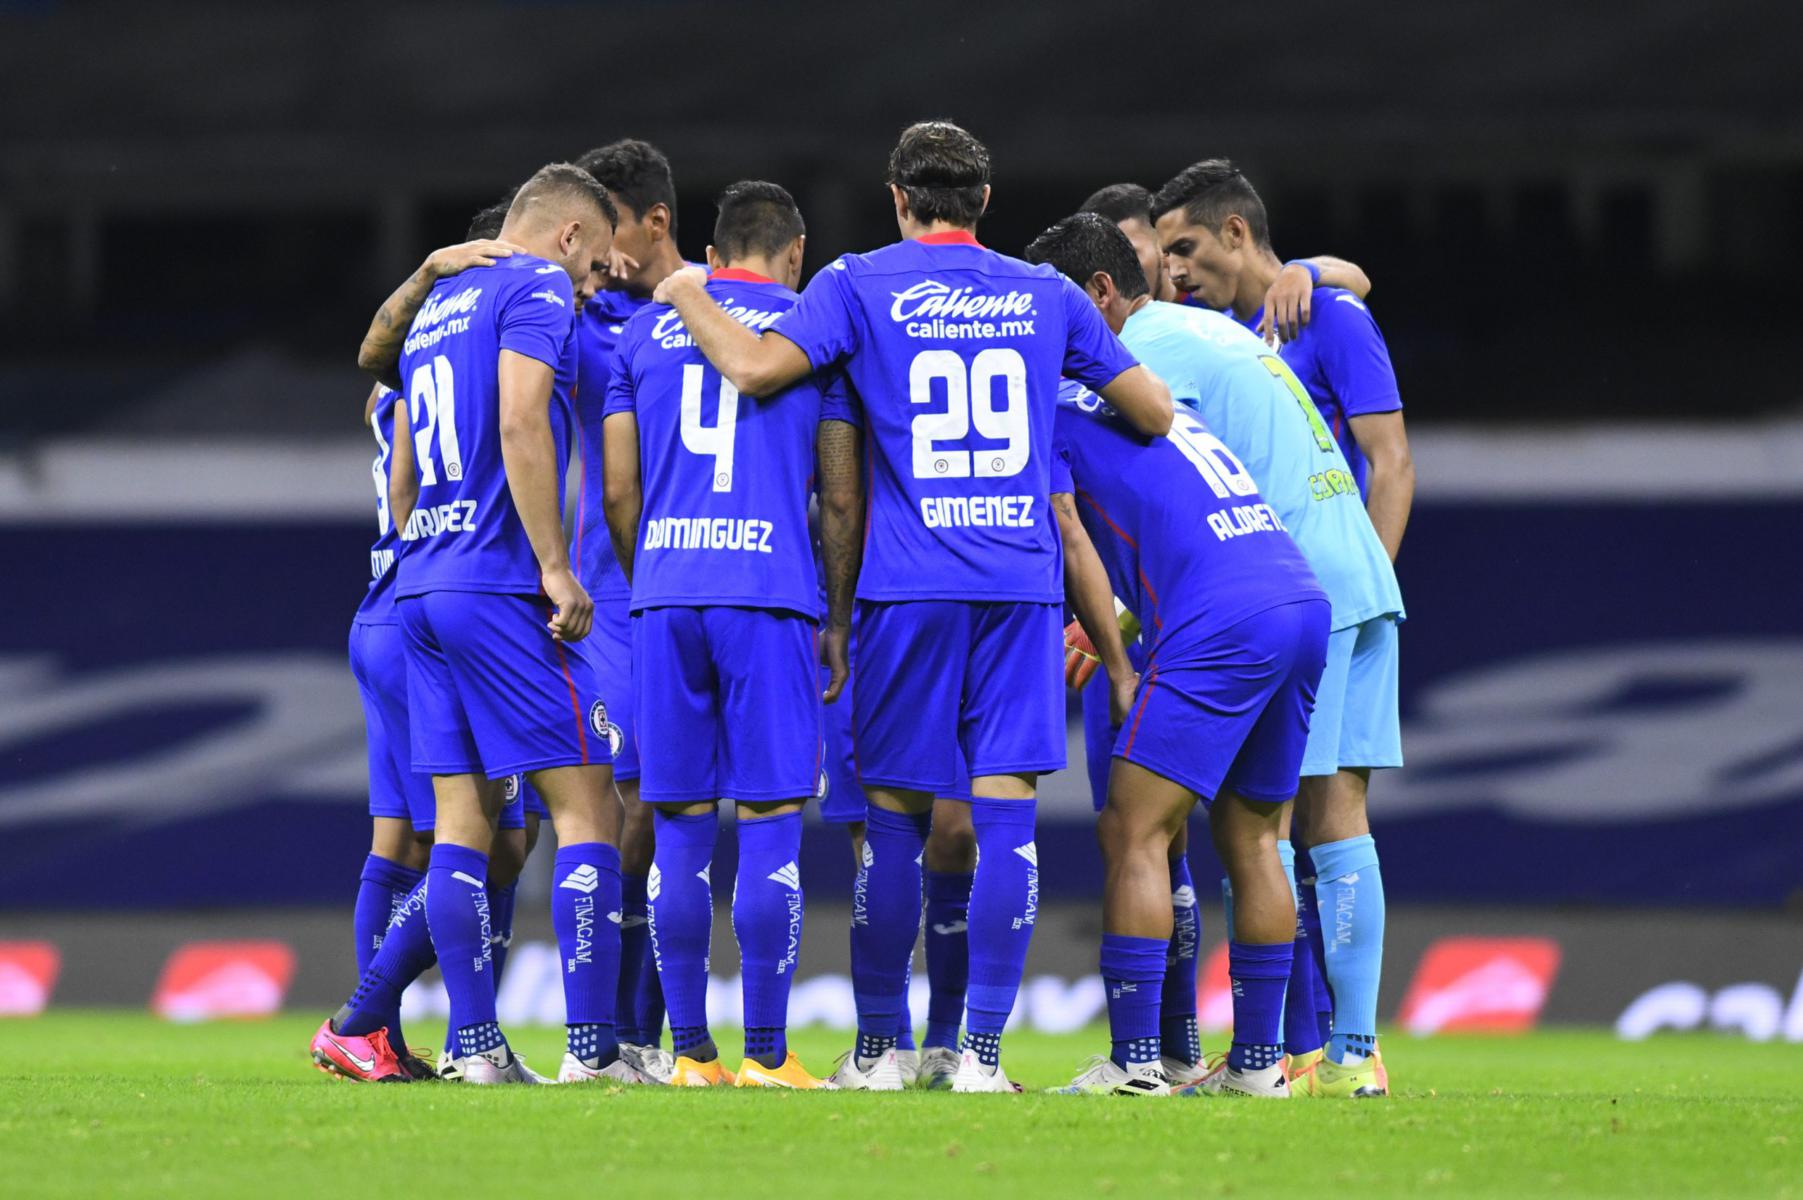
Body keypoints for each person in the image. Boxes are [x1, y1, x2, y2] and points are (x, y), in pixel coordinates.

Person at [652, 120, 1172, 1091]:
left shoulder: (854, 284)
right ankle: (978, 1058)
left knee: (891, 820)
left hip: (906, 586)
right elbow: (1153, 412)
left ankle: (879, 1053)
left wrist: (686, 289)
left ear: (899, 198)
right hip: (1019, 587)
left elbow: (762, 374)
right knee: (1008, 815)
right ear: (985, 200)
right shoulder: (1048, 293)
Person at [312, 163, 645, 1086]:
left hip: (419, 581)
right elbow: (521, 420)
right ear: (569, 236)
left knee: (465, 824)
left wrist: (421, 272)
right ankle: (592, 1052)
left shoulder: (444, 301)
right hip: (497, 584)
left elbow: (394, 415)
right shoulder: (536, 285)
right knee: (588, 807)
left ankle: (459, 1043)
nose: (589, 290)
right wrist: (551, 564)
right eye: (591, 270)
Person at [1026, 214, 1333, 1097]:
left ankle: (1132, 1067)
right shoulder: (1154, 392)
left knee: (1133, 827)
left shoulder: (1052, 413)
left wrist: (1119, 665)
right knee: (1254, 838)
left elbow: (1075, 539)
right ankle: (1257, 1069)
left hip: (1220, 617)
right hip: (1292, 593)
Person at [1144, 170, 1406, 1098]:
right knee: (1268, 829)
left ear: (1232, 230)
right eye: (1162, 255)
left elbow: (1391, 460)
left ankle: (1344, 1052)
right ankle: (1295, 1050)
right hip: (1295, 593)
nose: (1174, 271)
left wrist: (1354, 580)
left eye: (1185, 249)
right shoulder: (1235, 338)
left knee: (1295, 822)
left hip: (1317, 593)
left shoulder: (1323, 316)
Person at [604, 180, 858, 1089]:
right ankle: (766, 1052)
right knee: (769, 819)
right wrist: (835, 616)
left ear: (714, 251)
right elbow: (837, 494)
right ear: (794, 253)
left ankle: (689, 1056)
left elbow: (618, 492)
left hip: (667, 594)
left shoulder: (639, 335)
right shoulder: (811, 325)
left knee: (676, 825)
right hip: (770, 595)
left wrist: (654, 583)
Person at [568, 138, 706, 1078]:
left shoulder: (709, 308)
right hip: (607, 594)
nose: (588, 243)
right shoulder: (572, 307)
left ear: (652, 222)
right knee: (622, 804)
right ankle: (603, 1036)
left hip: (698, 577)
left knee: (675, 806)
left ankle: (646, 1037)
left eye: (603, 223)